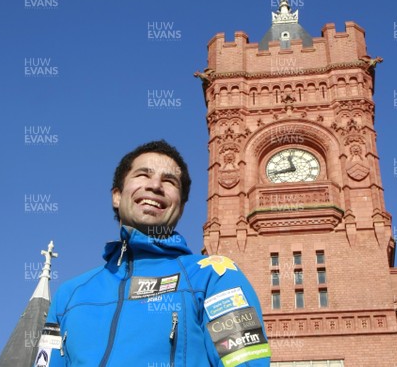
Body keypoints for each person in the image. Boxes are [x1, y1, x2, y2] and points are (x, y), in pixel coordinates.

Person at [40, 140, 271, 366]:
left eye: (170, 181)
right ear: (117, 196)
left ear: (179, 207)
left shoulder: (214, 275)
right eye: (143, 175)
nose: (155, 185)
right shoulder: (68, 296)